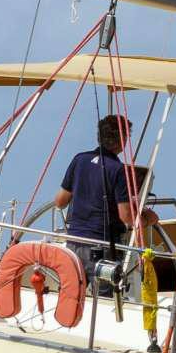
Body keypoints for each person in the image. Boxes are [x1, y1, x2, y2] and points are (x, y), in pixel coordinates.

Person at [51, 113, 139, 283]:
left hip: (74, 243)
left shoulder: (79, 160)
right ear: (123, 140)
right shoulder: (118, 170)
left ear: (99, 136)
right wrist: (147, 219)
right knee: (105, 300)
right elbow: (126, 217)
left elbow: (60, 202)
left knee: (74, 296)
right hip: (102, 247)